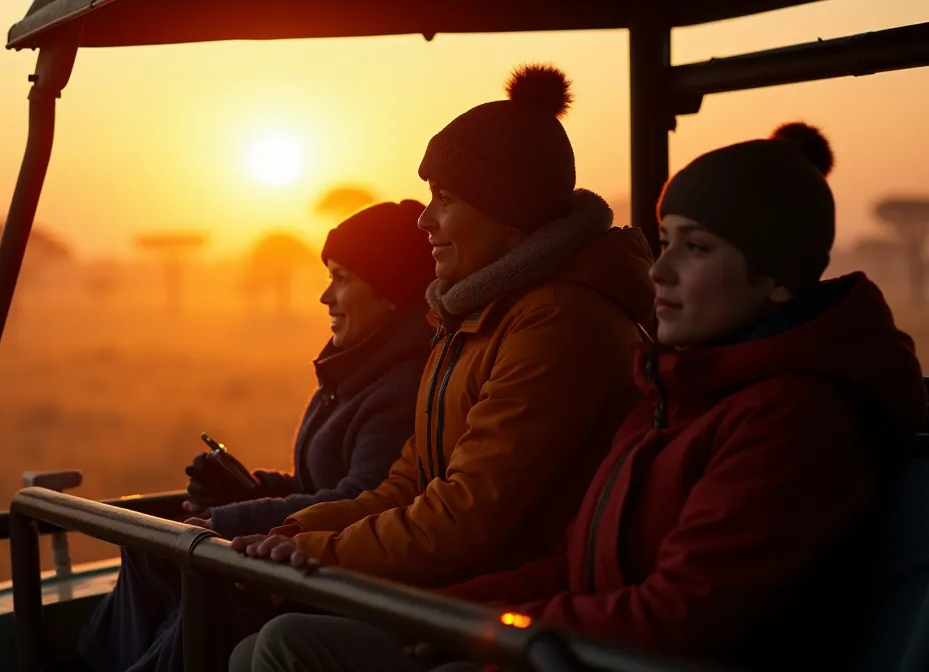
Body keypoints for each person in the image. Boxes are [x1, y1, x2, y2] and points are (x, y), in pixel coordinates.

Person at [237, 123, 928, 672]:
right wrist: (441, 614)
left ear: (776, 277)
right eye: (665, 242)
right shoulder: (674, 387)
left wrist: (486, 631)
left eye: (697, 248)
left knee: (287, 648)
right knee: (284, 641)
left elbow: (679, 617)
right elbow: (574, 561)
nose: (660, 270)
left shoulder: (790, 421)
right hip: (572, 645)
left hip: (610, 657)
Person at [228, 64, 653, 589]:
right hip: (459, 589)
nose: (424, 221)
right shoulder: (474, 315)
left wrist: (312, 550)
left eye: (445, 200)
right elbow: (411, 482)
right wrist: (291, 532)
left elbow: (465, 519)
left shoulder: (556, 323)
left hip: (511, 607)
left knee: (279, 646)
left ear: (509, 213)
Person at [77, 200, 438, 672]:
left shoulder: (400, 386)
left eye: (342, 278)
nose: (325, 297)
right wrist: (253, 490)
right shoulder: (356, 372)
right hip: (304, 551)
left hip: (339, 578)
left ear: (390, 290)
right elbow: (321, 489)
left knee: (203, 578)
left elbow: (363, 498)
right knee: (150, 549)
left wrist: (237, 518)